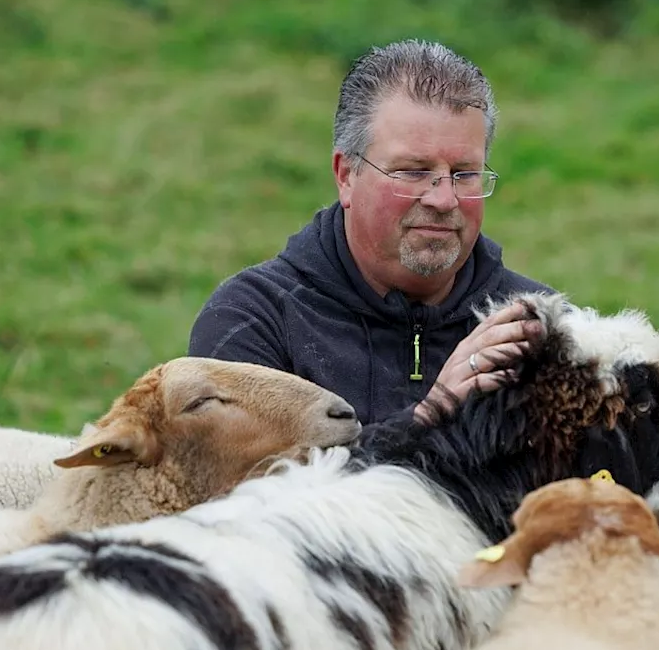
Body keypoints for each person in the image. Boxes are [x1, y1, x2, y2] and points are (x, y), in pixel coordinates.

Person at [186, 38, 555, 426]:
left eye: (464, 174)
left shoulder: (537, 328)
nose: (444, 199)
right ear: (346, 176)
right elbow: (262, 487)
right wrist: (432, 419)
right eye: (413, 171)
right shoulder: (255, 321)